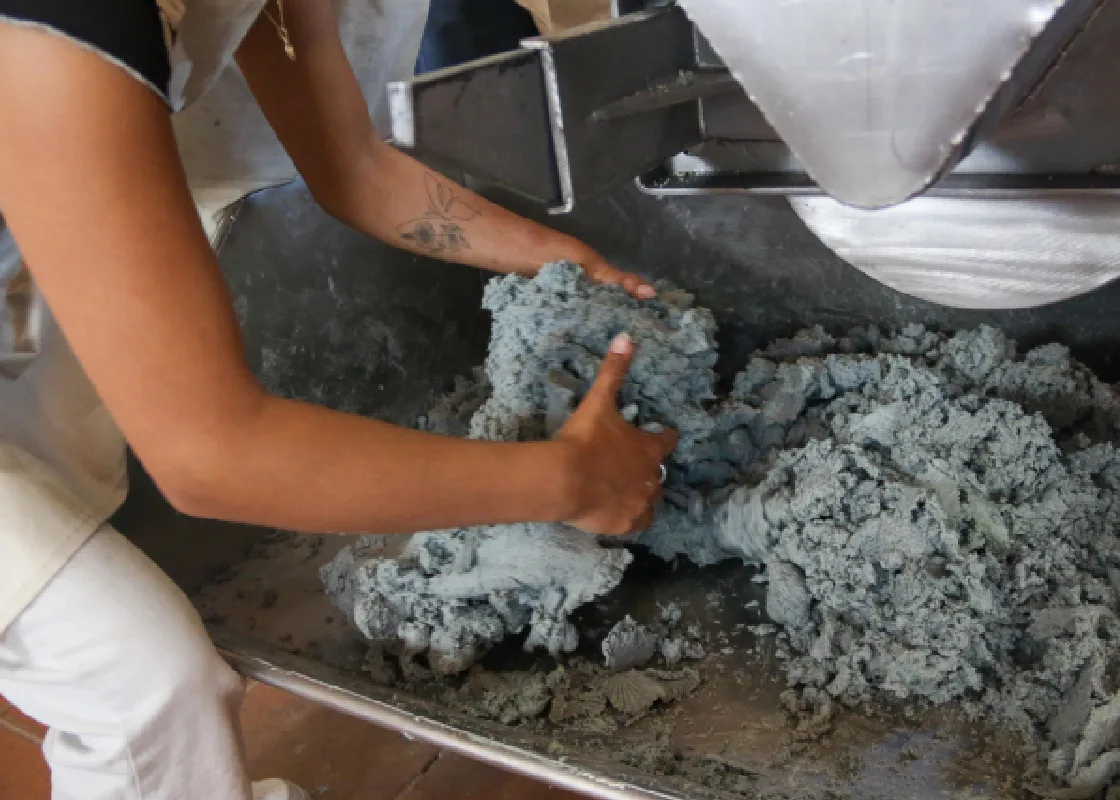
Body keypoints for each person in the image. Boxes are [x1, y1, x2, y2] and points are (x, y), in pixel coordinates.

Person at [0, 2, 678, 798]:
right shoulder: (53, 31)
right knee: (137, 680)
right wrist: (571, 480)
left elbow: (352, 166)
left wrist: (560, 261)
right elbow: (211, 458)